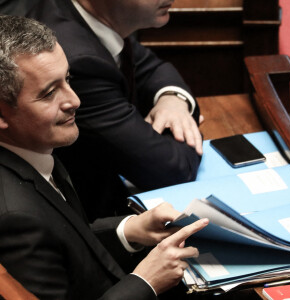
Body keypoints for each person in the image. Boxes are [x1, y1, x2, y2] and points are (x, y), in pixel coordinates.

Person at [0, 15, 209, 299]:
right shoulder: (16, 219)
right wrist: (146, 281)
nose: (74, 100)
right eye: (50, 93)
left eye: (68, 80)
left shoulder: (30, 148)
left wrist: (129, 230)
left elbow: (64, 243)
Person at [27, 0, 203, 221]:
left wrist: (174, 100)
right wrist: (184, 125)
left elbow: (150, 67)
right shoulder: (77, 59)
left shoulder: (82, 16)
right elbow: (173, 170)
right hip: (90, 224)